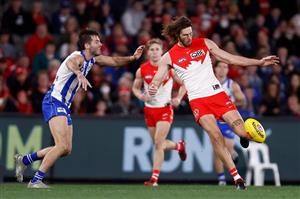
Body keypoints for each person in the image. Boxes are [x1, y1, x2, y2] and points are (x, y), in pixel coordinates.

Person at [148, 16, 279, 190]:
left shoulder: (205, 43)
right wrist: (153, 86)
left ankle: (242, 136)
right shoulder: (169, 56)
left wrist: (259, 62)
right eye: (185, 35)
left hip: (218, 96)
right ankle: (237, 178)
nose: (189, 37)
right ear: (177, 35)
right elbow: (158, 77)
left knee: (244, 133)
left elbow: (230, 58)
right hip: (198, 102)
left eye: (190, 33)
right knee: (216, 136)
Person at [14, 29, 144, 188]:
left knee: (66, 149)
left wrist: (133, 57)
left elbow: (115, 61)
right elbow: (71, 63)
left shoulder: (93, 59)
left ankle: (24, 160)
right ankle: (36, 180)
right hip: (54, 100)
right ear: (87, 45)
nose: (101, 43)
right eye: (97, 41)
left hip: (64, 105)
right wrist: (78, 73)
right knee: (61, 145)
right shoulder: (77, 57)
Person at [132, 38, 187, 187]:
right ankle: (178, 146)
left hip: (165, 108)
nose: (155, 52)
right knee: (158, 144)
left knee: (158, 143)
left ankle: (154, 178)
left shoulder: (169, 68)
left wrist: (178, 98)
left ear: (162, 52)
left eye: (157, 49)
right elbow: (135, 88)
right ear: (147, 53)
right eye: (152, 49)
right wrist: (140, 96)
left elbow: (184, 84)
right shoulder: (142, 69)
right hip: (149, 110)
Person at [213, 61, 246, 185]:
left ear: (228, 70)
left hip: (227, 121)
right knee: (217, 150)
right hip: (213, 119)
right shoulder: (208, 82)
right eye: (219, 66)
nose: (222, 69)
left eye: (225, 67)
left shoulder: (232, 85)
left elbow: (243, 101)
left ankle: (232, 154)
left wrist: (228, 105)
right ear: (215, 69)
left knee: (226, 148)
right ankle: (221, 180)